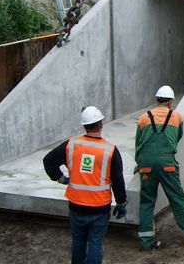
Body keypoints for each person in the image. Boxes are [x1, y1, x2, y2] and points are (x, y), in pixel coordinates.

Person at [43, 106, 127, 264]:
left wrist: (61, 179)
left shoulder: (71, 145)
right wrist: (121, 202)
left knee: (78, 242)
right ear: (101, 124)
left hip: (76, 206)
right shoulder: (110, 150)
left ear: (84, 125)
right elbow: (118, 180)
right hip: (99, 207)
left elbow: (48, 161)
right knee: (95, 243)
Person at [135, 85, 184, 250]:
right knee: (177, 199)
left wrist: (140, 164)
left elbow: (138, 144)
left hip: (146, 165)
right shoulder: (176, 117)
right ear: (170, 102)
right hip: (167, 164)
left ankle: (145, 242)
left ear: (157, 100)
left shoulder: (143, 118)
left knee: (147, 201)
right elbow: (176, 138)